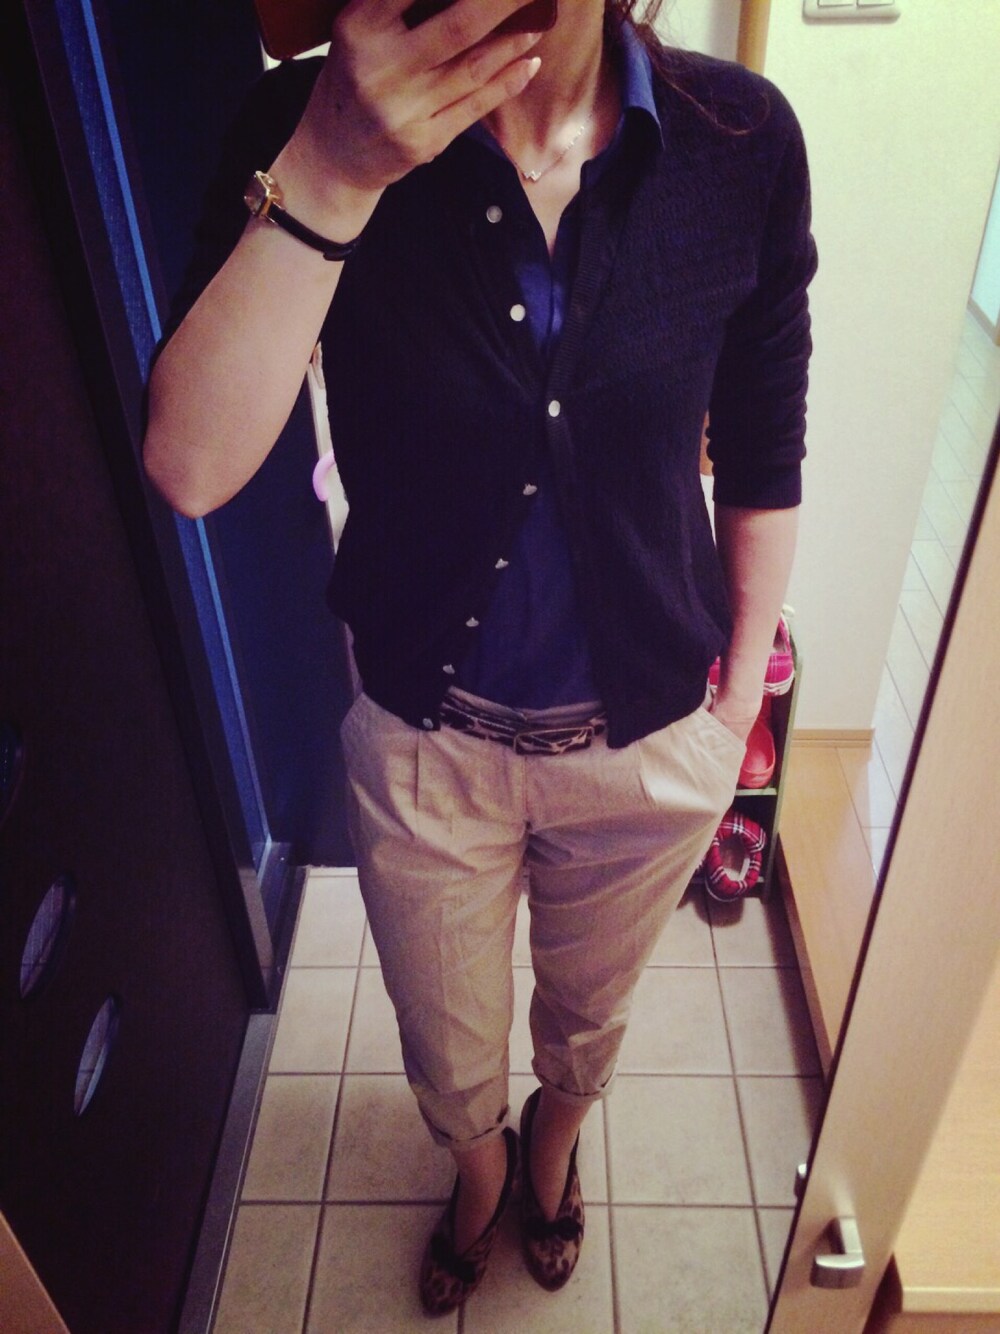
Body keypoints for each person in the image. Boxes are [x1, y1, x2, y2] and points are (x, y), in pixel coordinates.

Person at [144, 0, 816, 1314]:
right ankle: (480, 1169)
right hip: (427, 743)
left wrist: (736, 699)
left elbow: (765, 440)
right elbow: (190, 464)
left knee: (590, 1010)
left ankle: (554, 1147)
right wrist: (333, 164)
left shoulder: (738, 140)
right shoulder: (302, 129)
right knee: (446, 1040)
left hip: (648, 746)